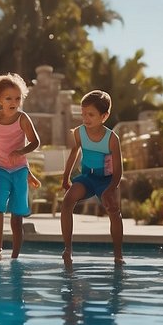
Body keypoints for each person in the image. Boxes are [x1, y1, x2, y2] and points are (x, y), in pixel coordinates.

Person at [0, 73, 41, 261]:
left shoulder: (23, 118)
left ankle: (15, 256)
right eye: (8, 98)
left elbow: (35, 142)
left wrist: (21, 152)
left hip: (20, 170)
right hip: (1, 170)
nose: (13, 102)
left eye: (17, 98)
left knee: (17, 215)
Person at [59, 90, 124, 264]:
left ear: (104, 116)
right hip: (87, 177)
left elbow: (118, 170)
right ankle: (68, 249)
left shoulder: (112, 138)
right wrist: (66, 177)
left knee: (114, 211)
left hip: (106, 180)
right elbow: (74, 153)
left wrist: (111, 189)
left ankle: (118, 255)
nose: (85, 118)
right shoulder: (79, 132)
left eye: (91, 115)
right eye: (83, 114)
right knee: (67, 202)